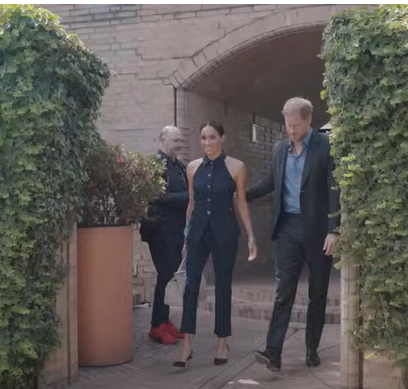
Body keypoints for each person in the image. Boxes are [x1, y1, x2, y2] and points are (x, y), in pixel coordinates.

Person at [246, 97, 341, 372]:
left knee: (318, 292)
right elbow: (271, 181)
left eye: (296, 125)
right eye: (288, 125)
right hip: (287, 228)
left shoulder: (326, 147)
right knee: (283, 290)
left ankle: (312, 348)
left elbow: (334, 189)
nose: (291, 131)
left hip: (317, 231)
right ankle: (273, 351)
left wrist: (334, 229)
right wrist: (242, 194)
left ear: (309, 121)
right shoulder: (279, 149)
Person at [173, 121, 257, 368]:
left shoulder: (236, 167)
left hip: (225, 233)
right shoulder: (192, 168)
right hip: (197, 233)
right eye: (203, 138)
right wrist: (185, 239)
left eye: (212, 137)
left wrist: (251, 235)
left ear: (222, 138)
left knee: (223, 287)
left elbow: (241, 202)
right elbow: (191, 203)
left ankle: (222, 342)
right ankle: (186, 343)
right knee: (190, 286)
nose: (207, 143)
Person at [139, 125, 189, 345]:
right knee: (164, 276)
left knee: (170, 277)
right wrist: (187, 196)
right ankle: (156, 327)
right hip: (160, 231)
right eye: (175, 140)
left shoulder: (179, 166)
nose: (179, 144)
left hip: (177, 229)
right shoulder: (154, 165)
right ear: (162, 140)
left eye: (181, 141)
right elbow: (155, 197)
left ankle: (165, 320)